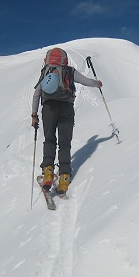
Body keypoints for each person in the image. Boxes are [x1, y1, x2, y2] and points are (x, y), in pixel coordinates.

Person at [31, 47, 102, 196]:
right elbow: (87, 81)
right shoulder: (69, 71)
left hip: (49, 108)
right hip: (66, 108)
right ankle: (64, 177)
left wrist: (34, 115)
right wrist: (97, 84)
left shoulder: (46, 71)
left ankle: (48, 172)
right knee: (64, 143)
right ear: (64, 59)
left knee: (49, 140)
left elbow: (37, 93)